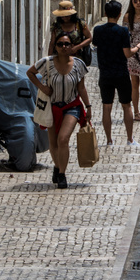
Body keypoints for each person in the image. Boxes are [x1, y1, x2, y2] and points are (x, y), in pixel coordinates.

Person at [27, 35, 91, 188]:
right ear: (55, 47)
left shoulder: (78, 64)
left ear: (71, 46)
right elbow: (30, 73)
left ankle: (62, 174)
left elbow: (81, 88)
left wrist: (88, 107)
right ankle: (57, 166)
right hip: (52, 107)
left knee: (63, 139)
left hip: (72, 106)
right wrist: (41, 87)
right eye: (60, 44)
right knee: (53, 143)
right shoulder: (47, 63)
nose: (64, 47)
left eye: (67, 44)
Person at [91, 0, 140, 150]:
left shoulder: (98, 30)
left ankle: (109, 140)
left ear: (105, 13)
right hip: (121, 73)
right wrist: (138, 47)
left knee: (106, 107)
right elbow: (127, 53)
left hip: (105, 73)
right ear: (120, 14)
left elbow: (95, 44)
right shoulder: (122, 31)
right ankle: (130, 139)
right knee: (126, 106)